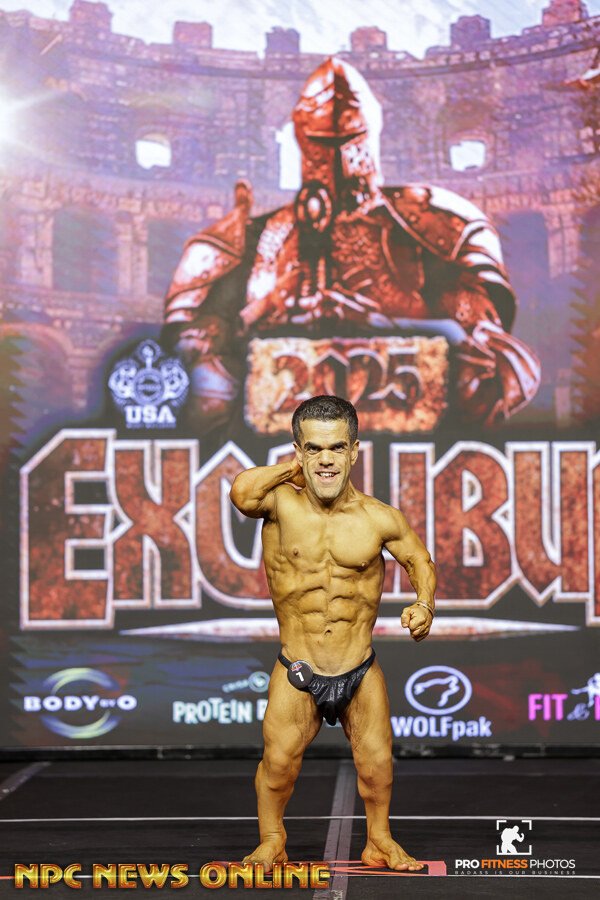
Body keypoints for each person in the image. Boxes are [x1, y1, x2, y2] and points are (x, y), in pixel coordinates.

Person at [229, 395, 437, 872]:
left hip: (358, 665)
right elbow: (241, 493)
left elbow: (419, 560)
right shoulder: (279, 503)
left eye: (337, 448)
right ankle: (272, 841)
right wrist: (295, 468)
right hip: (298, 665)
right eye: (314, 449)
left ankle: (379, 841)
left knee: (377, 764)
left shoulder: (378, 517)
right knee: (278, 764)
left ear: (355, 451)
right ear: (298, 451)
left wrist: (424, 603)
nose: (327, 459)